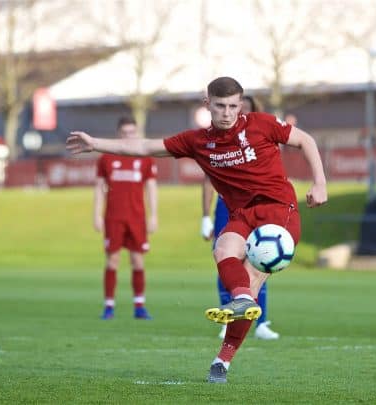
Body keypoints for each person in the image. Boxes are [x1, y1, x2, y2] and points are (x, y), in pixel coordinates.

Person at [67, 77, 328, 383]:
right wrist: (96, 144)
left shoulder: (262, 124)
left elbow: (305, 140)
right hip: (242, 214)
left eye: (233, 106)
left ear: (240, 105)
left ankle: (223, 359)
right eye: (220, 106)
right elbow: (145, 146)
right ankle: (241, 299)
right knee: (222, 250)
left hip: (279, 211)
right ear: (208, 105)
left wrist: (319, 182)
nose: (227, 112)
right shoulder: (197, 141)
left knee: (253, 277)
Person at [201, 95, 280, 340]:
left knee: (260, 259)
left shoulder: (262, 138)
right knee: (227, 261)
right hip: (227, 208)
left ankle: (261, 320)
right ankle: (228, 316)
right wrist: (205, 216)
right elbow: (208, 180)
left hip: (258, 209)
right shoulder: (218, 141)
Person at [93, 116, 158, 320]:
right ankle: (109, 306)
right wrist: (96, 214)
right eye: (125, 133)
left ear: (137, 133)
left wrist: (154, 215)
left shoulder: (145, 158)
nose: (129, 136)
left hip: (137, 217)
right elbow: (99, 188)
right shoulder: (106, 158)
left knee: (138, 261)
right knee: (112, 260)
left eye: (132, 132)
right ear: (119, 135)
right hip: (113, 217)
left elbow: (151, 187)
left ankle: (139, 306)